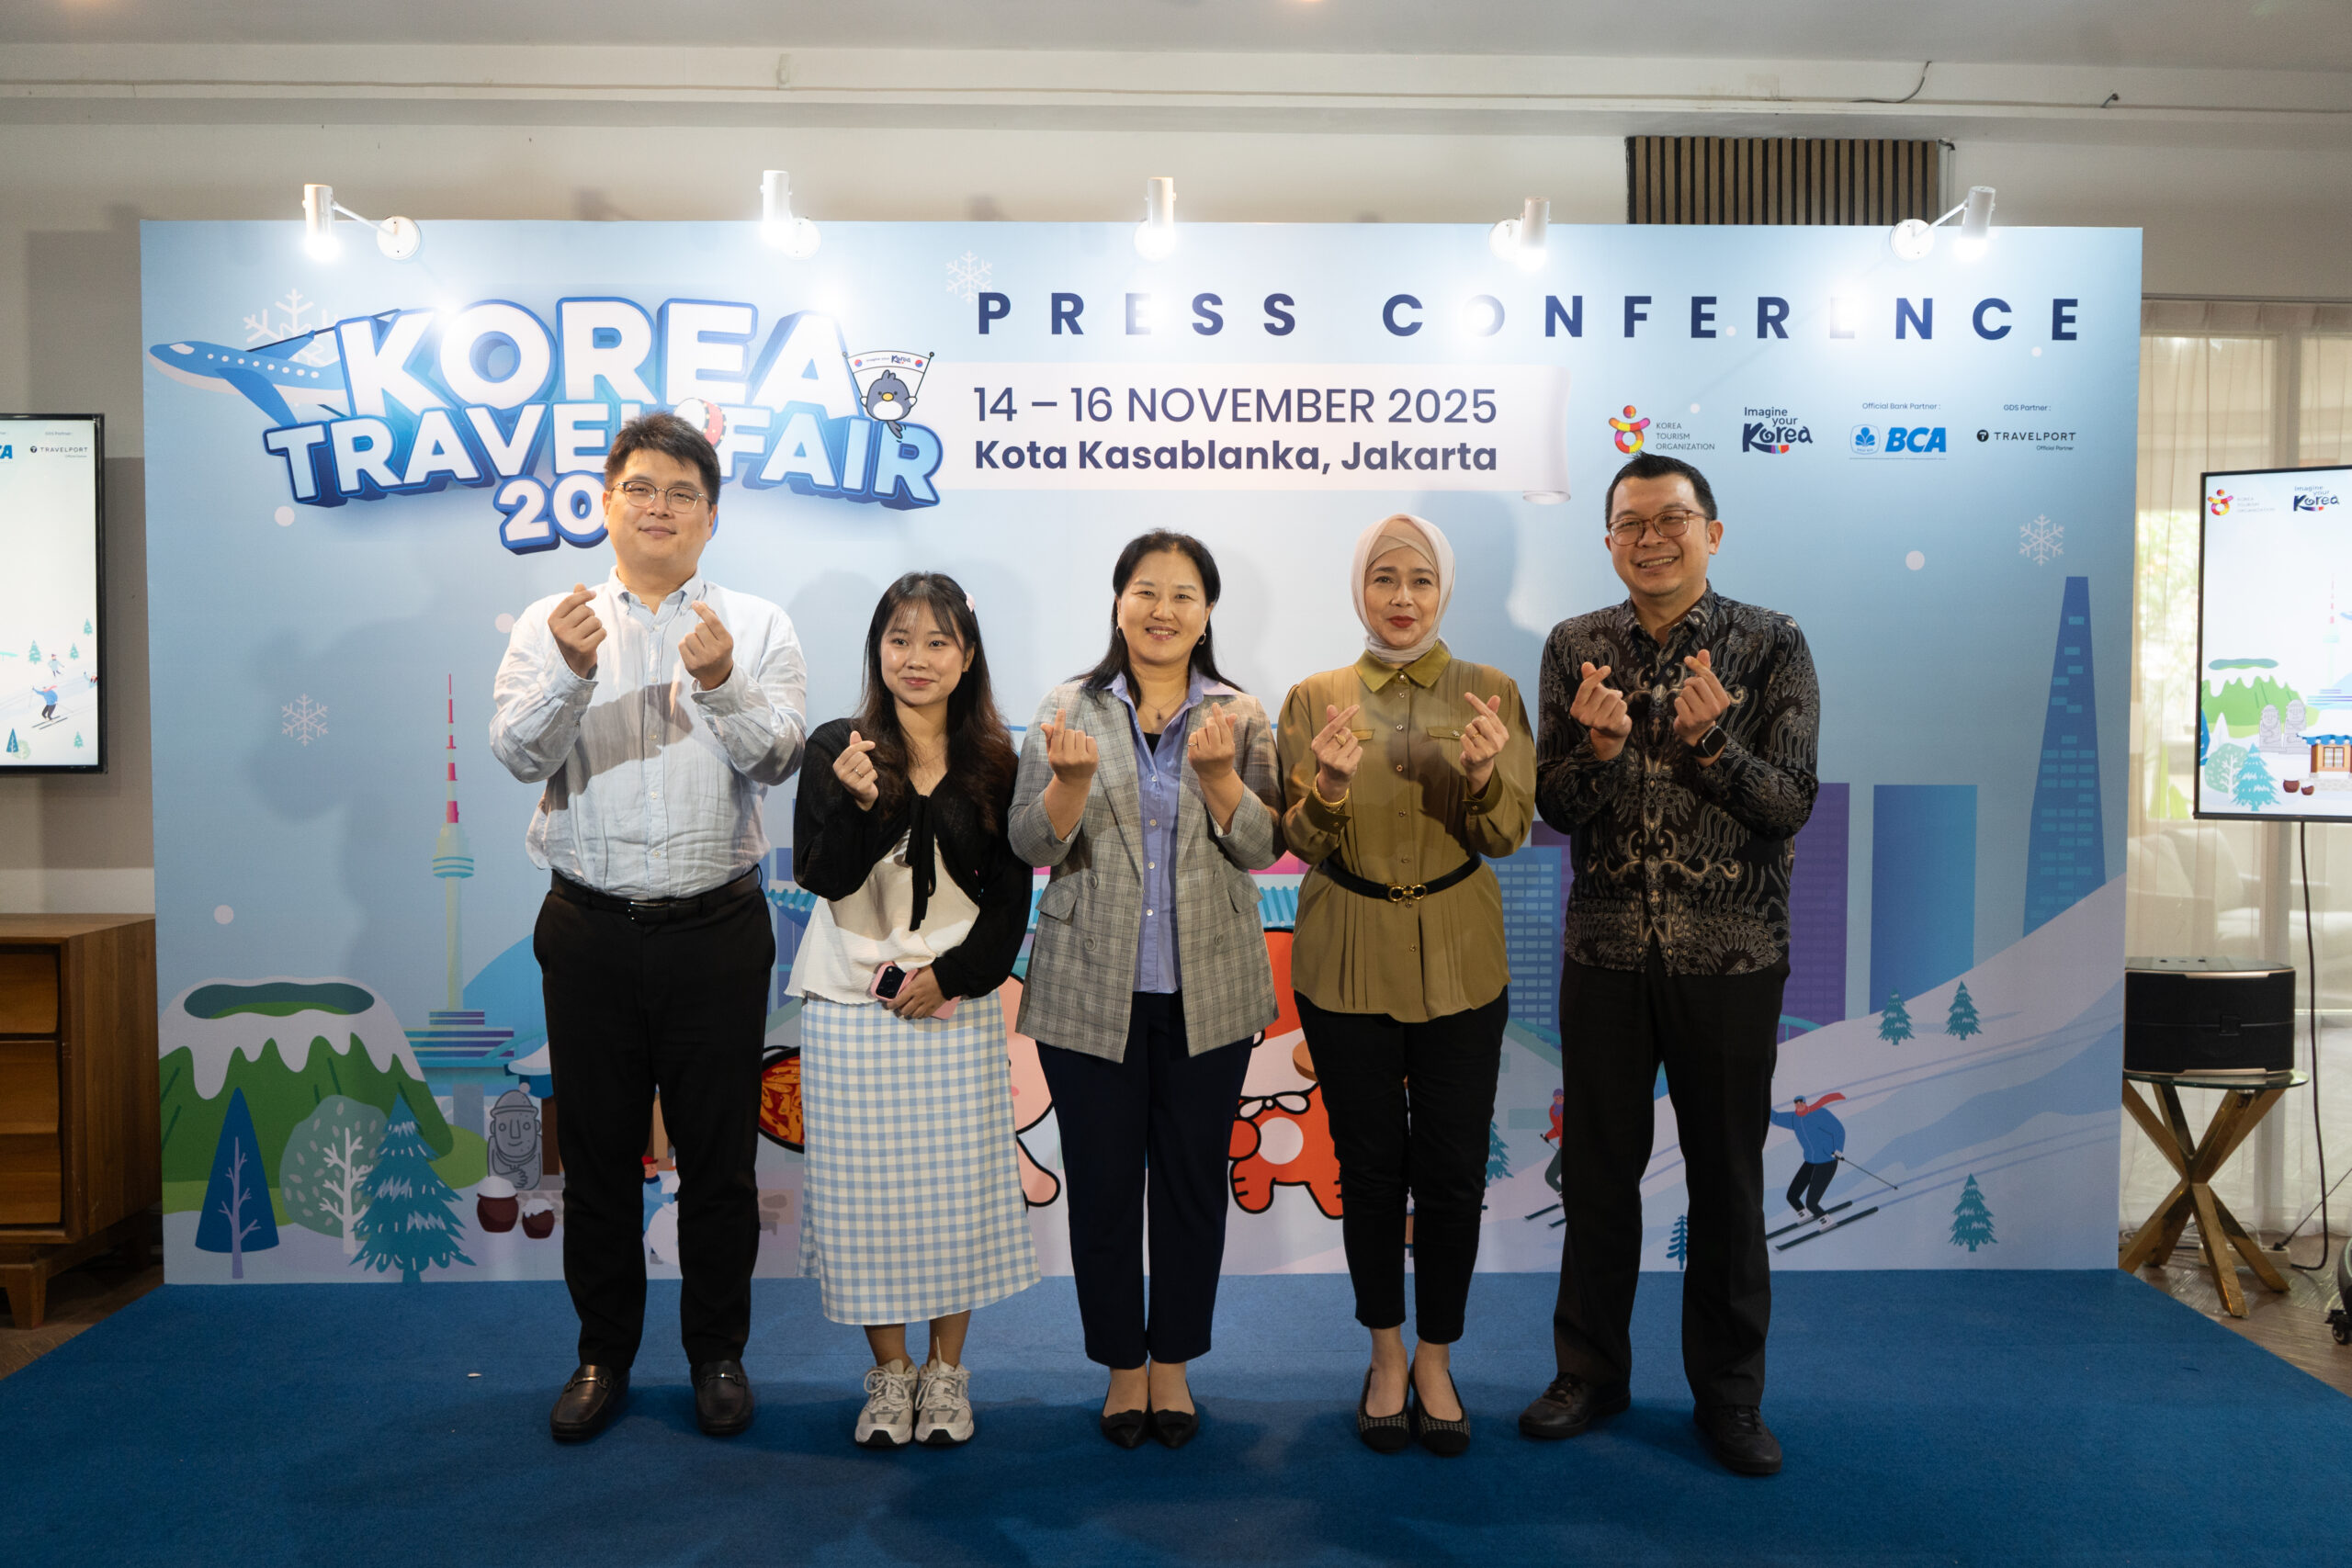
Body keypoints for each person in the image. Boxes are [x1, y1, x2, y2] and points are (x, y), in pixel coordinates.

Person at [489, 411, 808, 1445]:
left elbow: (779, 758)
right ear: (606, 503)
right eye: (640, 488)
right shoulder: (553, 622)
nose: (659, 507)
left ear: (710, 517)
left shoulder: (757, 625)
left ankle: (718, 1355)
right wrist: (570, 672)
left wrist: (721, 683)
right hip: (588, 928)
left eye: (681, 492)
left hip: (717, 930)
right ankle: (602, 1356)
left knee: (718, 1162)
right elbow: (518, 756)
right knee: (596, 1161)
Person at [1521, 452, 1818, 1476]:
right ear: (1608, 539)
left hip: (1732, 958)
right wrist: (1600, 757)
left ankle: (1729, 1396)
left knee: (1727, 1181)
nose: (1650, 539)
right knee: (1598, 1175)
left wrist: (1712, 746)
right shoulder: (1576, 647)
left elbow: (1789, 803)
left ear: (1711, 533)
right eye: (1630, 523)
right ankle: (1589, 1372)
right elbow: (1555, 807)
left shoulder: (1772, 642)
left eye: (1671, 519)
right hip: (1605, 952)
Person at [1008, 530, 1283, 1450]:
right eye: (1146, 591)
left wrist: (1219, 780)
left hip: (1208, 989)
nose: (1163, 610)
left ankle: (1174, 1365)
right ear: (1118, 602)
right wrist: (1068, 786)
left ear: (1206, 614)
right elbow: (1028, 843)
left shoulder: (1241, 714)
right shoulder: (1066, 707)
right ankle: (1124, 1367)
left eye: (1183, 595)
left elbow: (1263, 846)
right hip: (1091, 988)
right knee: (1102, 1185)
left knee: (1193, 1185)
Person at [1275, 513, 1534, 1457]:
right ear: (1360, 589)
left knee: (1453, 1171)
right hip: (1345, 952)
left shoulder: (1491, 691)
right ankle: (1385, 1353)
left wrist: (1483, 775)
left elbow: (1507, 835)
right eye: (1384, 578)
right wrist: (1330, 789)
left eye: (1420, 580)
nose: (1402, 598)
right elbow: (1299, 842)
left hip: (1462, 953)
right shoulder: (1314, 698)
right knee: (1371, 1167)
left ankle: (1435, 1357)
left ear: (1444, 590)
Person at [789, 572, 1039, 1450]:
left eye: (938, 641)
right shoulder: (838, 745)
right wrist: (859, 803)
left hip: (954, 1006)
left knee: (957, 1193)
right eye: (899, 639)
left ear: (967, 656)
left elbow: (1012, 898)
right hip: (850, 1005)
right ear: (878, 651)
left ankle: (947, 1373)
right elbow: (821, 875)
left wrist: (955, 977)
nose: (917, 657)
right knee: (866, 1197)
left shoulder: (1000, 762)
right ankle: (891, 1374)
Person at [1770, 1094, 1849, 1225]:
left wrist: (1838, 1149)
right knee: (1792, 1196)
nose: (1799, 1105)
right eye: (1797, 1103)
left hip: (1827, 1162)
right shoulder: (1794, 1118)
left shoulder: (1819, 1113)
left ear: (1805, 1103)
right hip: (1810, 1162)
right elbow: (1776, 1118)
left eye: (1801, 1102)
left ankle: (1825, 1219)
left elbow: (1838, 1130)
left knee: (1811, 1203)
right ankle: (1803, 1213)